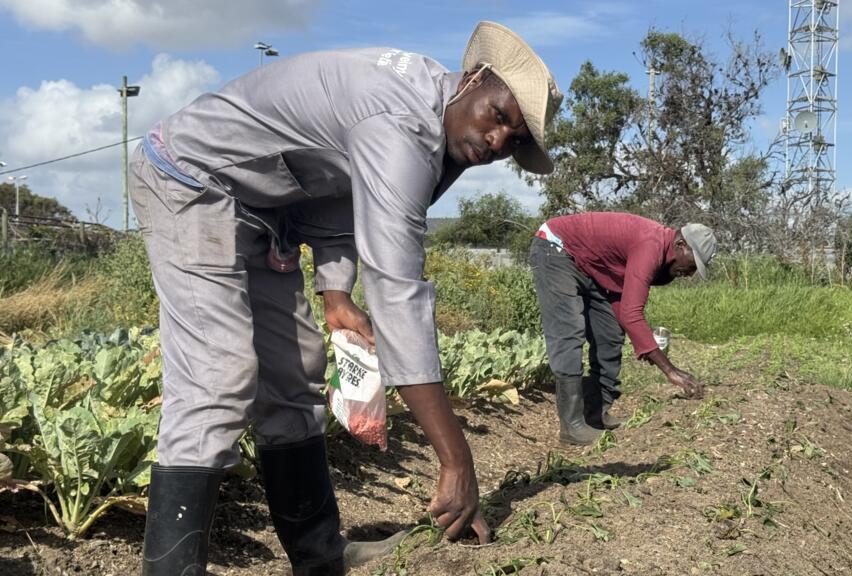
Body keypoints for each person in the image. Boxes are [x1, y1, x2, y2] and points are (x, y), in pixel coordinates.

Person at [129, 21, 561, 575]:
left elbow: (338, 202)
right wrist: (457, 460)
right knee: (217, 376)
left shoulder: (437, 127)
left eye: (516, 141)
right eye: (499, 117)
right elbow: (397, 289)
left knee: (296, 373)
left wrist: (335, 292)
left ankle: (319, 557)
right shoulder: (400, 123)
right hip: (191, 179)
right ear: (473, 79)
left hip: (266, 208)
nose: (499, 141)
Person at [529, 212, 716, 445]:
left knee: (609, 332)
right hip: (556, 248)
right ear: (680, 245)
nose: (690, 273)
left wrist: (645, 344)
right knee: (569, 332)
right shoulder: (652, 245)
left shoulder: (661, 255)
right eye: (693, 263)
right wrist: (670, 371)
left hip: (589, 266)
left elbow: (624, 309)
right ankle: (572, 426)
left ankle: (595, 413)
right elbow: (631, 314)